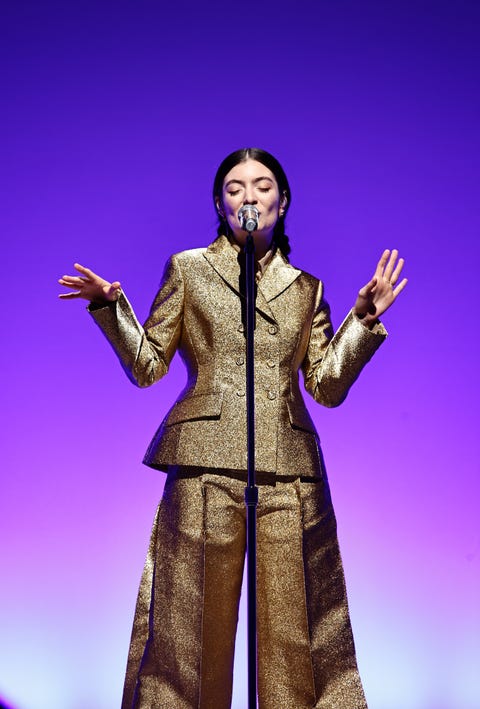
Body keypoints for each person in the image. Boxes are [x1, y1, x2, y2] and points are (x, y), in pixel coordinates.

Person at [59, 147, 407, 709]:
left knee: (297, 637)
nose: (250, 196)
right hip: (203, 462)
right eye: (236, 187)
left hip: (290, 472)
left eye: (263, 185)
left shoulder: (305, 288)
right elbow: (148, 366)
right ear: (221, 205)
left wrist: (363, 322)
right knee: (185, 631)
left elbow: (326, 386)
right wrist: (110, 308)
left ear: (284, 202)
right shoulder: (189, 269)